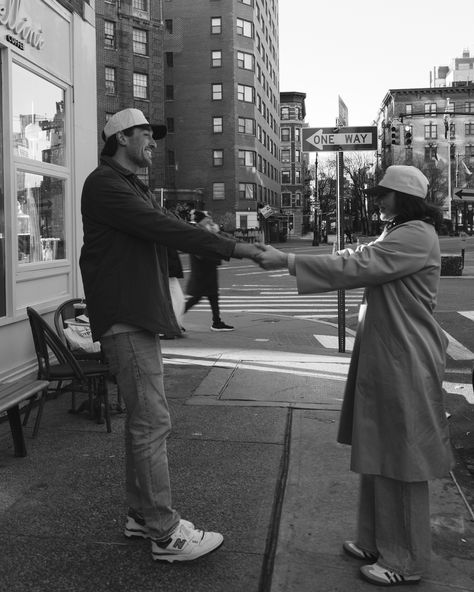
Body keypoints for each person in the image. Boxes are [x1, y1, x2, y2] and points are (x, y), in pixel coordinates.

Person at [256, 165, 454, 587]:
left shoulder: (415, 234)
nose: (376, 200)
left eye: (383, 194)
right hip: (389, 354)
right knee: (380, 450)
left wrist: (288, 260)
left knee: (402, 456)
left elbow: (359, 265)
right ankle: (377, 540)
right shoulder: (400, 231)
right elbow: (354, 259)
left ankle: (405, 560)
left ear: (405, 197)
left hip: (404, 357)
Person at [79, 108, 260, 563]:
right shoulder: (104, 185)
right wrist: (238, 249)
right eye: (145, 135)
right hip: (125, 317)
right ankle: (165, 533)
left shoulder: (129, 187)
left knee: (144, 422)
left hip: (135, 315)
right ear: (121, 138)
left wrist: (207, 235)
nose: (153, 143)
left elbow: (168, 231)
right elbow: (164, 229)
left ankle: (142, 516)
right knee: (152, 423)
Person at [184, 210, 234, 332]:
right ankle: (173, 317)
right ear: (201, 221)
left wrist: (216, 233)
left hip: (207, 272)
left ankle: (217, 321)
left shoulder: (205, 231)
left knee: (213, 297)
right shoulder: (198, 233)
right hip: (202, 273)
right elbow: (201, 253)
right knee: (196, 298)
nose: (210, 221)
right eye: (207, 219)